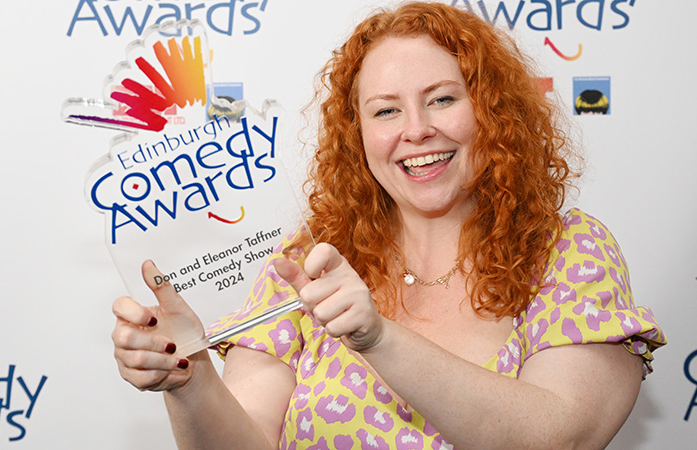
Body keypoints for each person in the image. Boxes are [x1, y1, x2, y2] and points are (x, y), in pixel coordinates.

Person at [111, 2, 666, 449]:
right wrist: (189, 378)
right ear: (357, 137)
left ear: (493, 113)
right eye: (385, 111)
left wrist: (378, 338)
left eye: (442, 99)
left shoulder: (567, 251)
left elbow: (558, 436)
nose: (417, 130)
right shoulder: (309, 264)